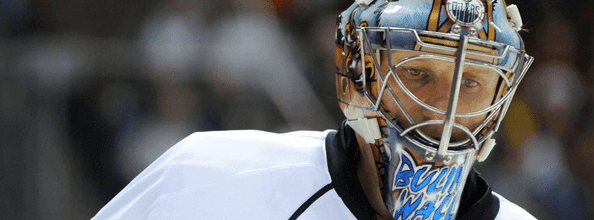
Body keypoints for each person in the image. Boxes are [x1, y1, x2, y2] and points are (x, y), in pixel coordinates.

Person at [93, 0, 537, 219]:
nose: (443, 107)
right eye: (417, 74)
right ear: (358, 74)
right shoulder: (209, 176)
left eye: (471, 82)